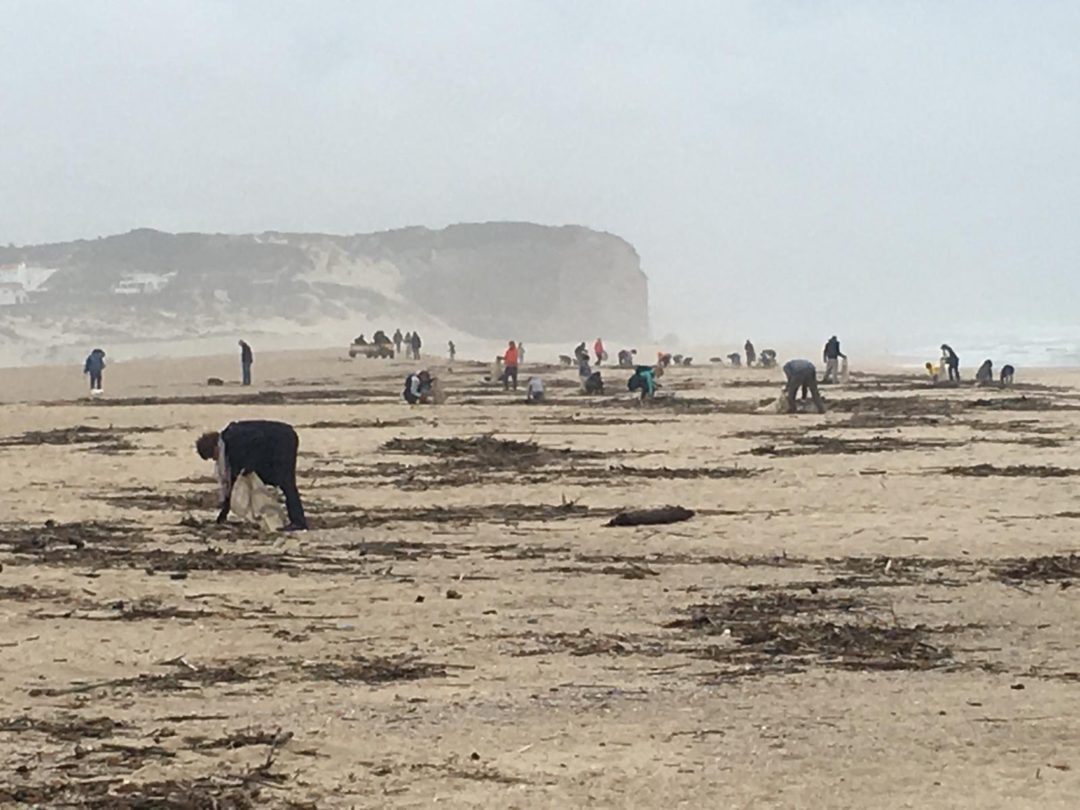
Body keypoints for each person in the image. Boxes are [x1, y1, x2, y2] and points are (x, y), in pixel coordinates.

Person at [195, 420, 307, 531]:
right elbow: (233, 480)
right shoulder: (228, 445)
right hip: (275, 442)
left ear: (214, 447)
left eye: (211, 456)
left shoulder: (233, 438)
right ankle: (292, 519)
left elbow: (258, 438)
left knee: (286, 482)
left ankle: (298, 522)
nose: (215, 460)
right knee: (270, 480)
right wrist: (224, 512)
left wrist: (250, 465)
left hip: (283, 439)